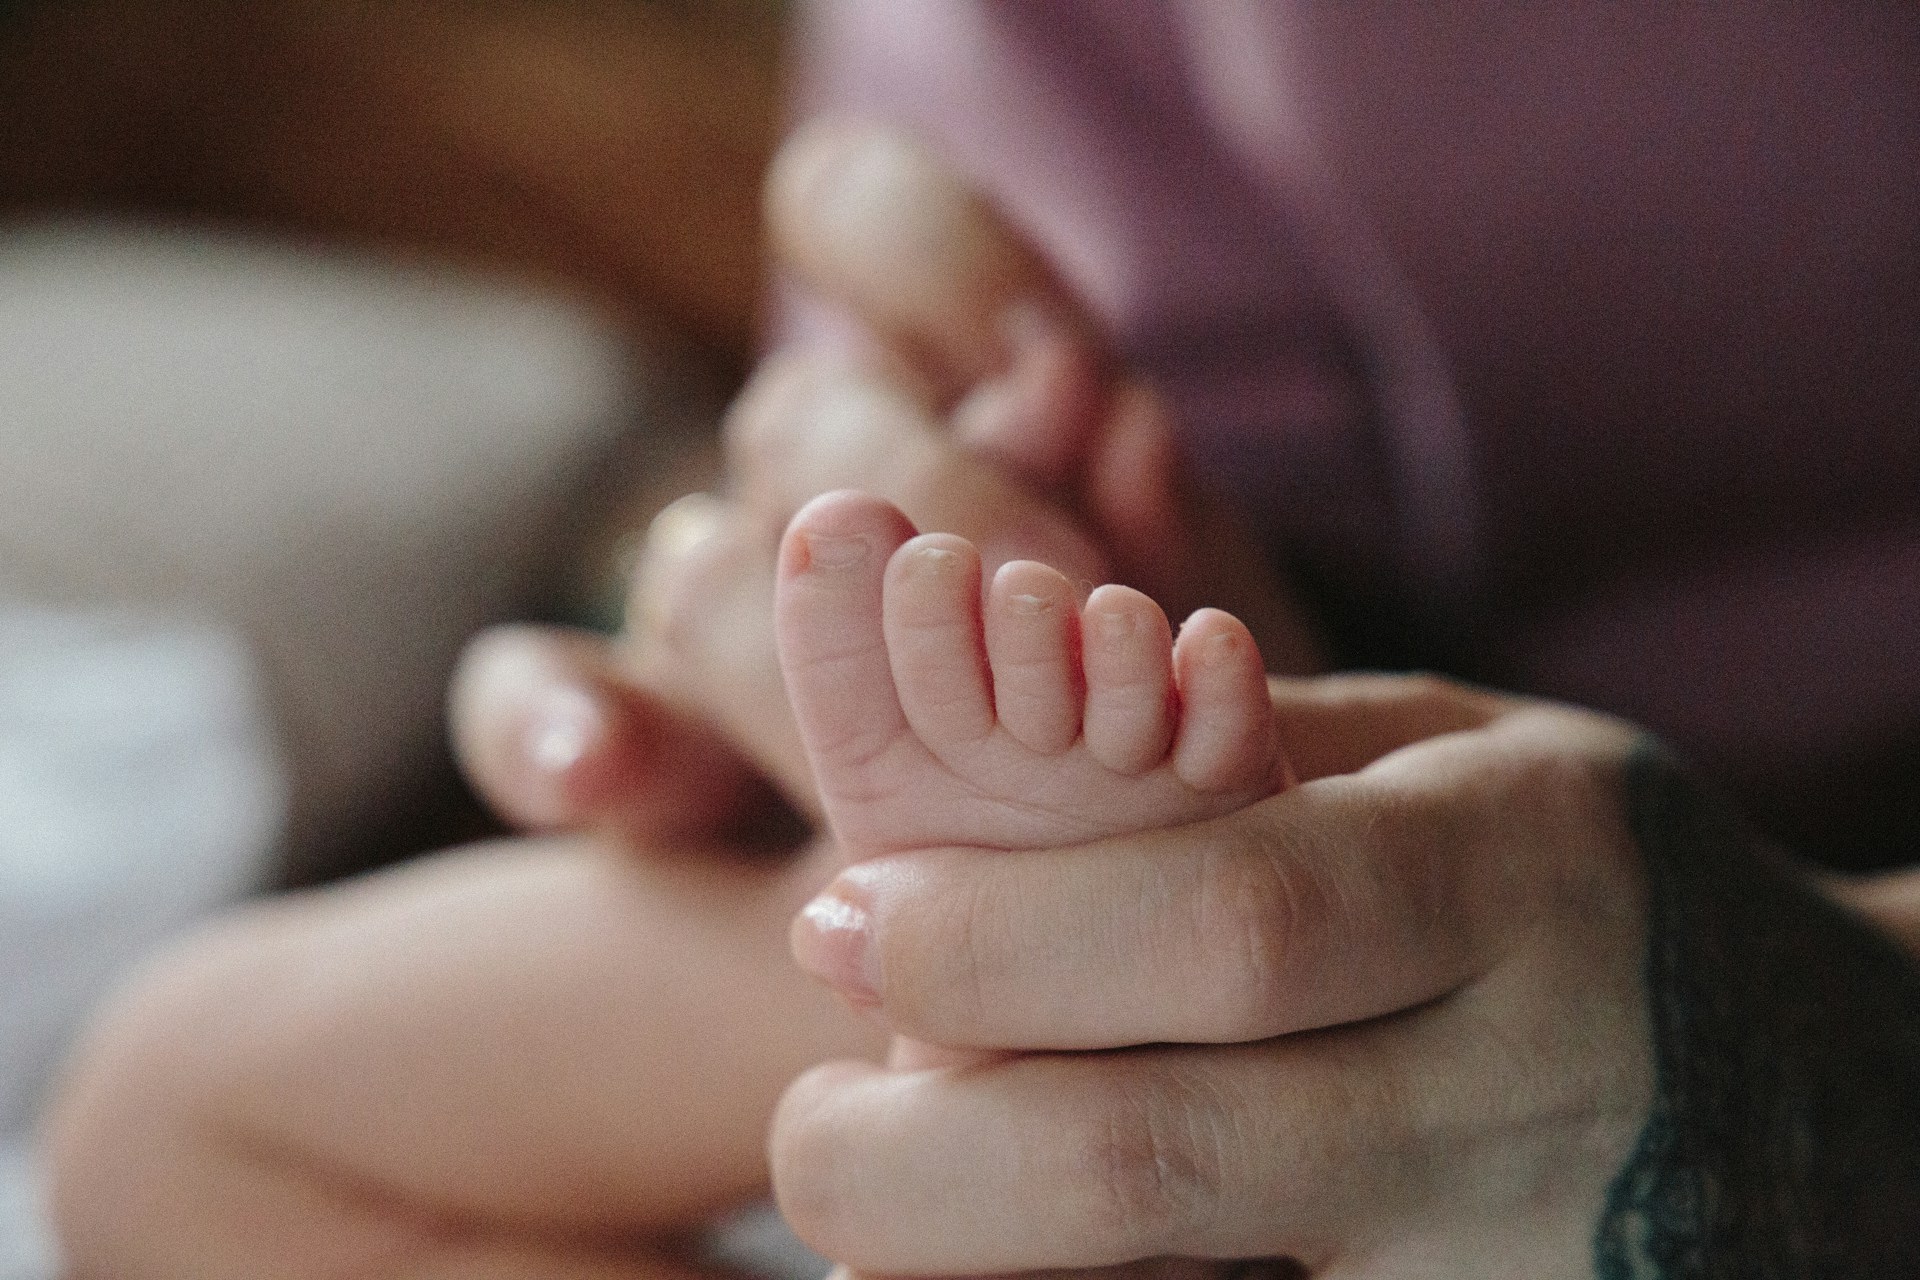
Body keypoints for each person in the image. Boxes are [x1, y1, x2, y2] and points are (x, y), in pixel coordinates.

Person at [49, 6, 1920, 1279]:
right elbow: (978, 433)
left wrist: (1852, 1027)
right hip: (1321, 866)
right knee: (164, 1109)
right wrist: (927, 575)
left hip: (1560, 971)